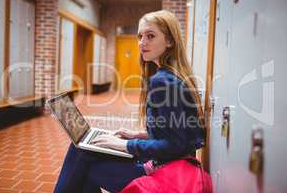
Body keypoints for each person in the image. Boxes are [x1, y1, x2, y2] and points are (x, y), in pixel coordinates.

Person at [54, 10, 205, 193]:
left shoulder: (163, 82)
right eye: (140, 36)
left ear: (170, 41)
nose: (142, 42)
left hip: (162, 173)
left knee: (83, 157)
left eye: (150, 36)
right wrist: (136, 135)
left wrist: (124, 145)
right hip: (161, 164)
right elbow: (175, 134)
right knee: (83, 150)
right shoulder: (173, 76)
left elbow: (176, 145)